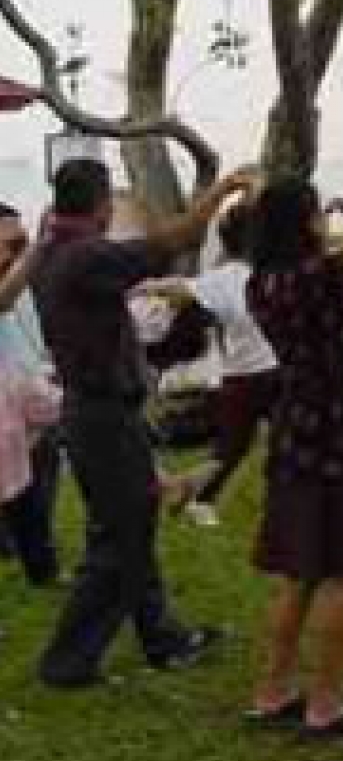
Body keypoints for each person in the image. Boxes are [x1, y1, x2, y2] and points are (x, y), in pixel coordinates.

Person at [29, 160, 251, 689]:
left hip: (97, 413)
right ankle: (68, 661)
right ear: (101, 203)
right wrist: (224, 188)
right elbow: (172, 240)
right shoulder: (83, 256)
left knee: (133, 520)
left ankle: (163, 638)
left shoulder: (53, 252)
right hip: (101, 416)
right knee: (120, 538)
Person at [244, 176, 343, 736]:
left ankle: (273, 689)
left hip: (294, 429)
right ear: (304, 221)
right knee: (342, 571)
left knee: (297, 572)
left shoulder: (260, 283)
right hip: (336, 433)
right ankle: (326, 703)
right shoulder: (319, 274)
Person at [134, 203, 278, 527]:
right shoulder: (240, 276)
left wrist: (147, 287)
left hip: (249, 374)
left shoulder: (242, 275)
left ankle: (200, 499)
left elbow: (179, 287)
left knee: (237, 447)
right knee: (234, 448)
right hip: (252, 374)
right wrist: (145, 288)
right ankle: (198, 498)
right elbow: (179, 288)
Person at [0, 203, 61, 587]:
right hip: (8, 408)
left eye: (19, 242)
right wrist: (40, 247)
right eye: (9, 242)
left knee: (33, 487)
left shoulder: (22, 282)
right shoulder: (13, 282)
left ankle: (39, 565)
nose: (14, 251)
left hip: (30, 392)